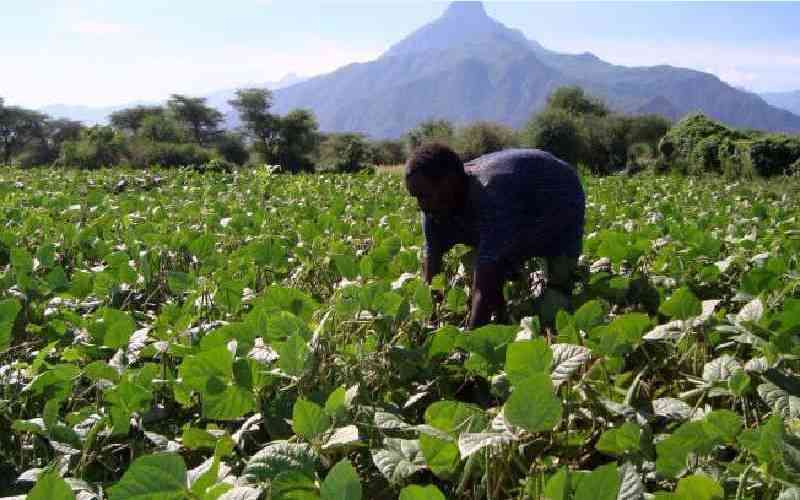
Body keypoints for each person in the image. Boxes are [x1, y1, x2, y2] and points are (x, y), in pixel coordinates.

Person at [405, 143, 586, 330]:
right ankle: (503, 309)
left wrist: (470, 344)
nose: (420, 204)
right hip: (513, 198)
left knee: (558, 286)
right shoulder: (432, 206)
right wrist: (431, 321)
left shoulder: (491, 194)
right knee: (494, 259)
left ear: (449, 182)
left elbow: (485, 283)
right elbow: (432, 263)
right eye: (415, 197)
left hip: (558, 195)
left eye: (423, 196)